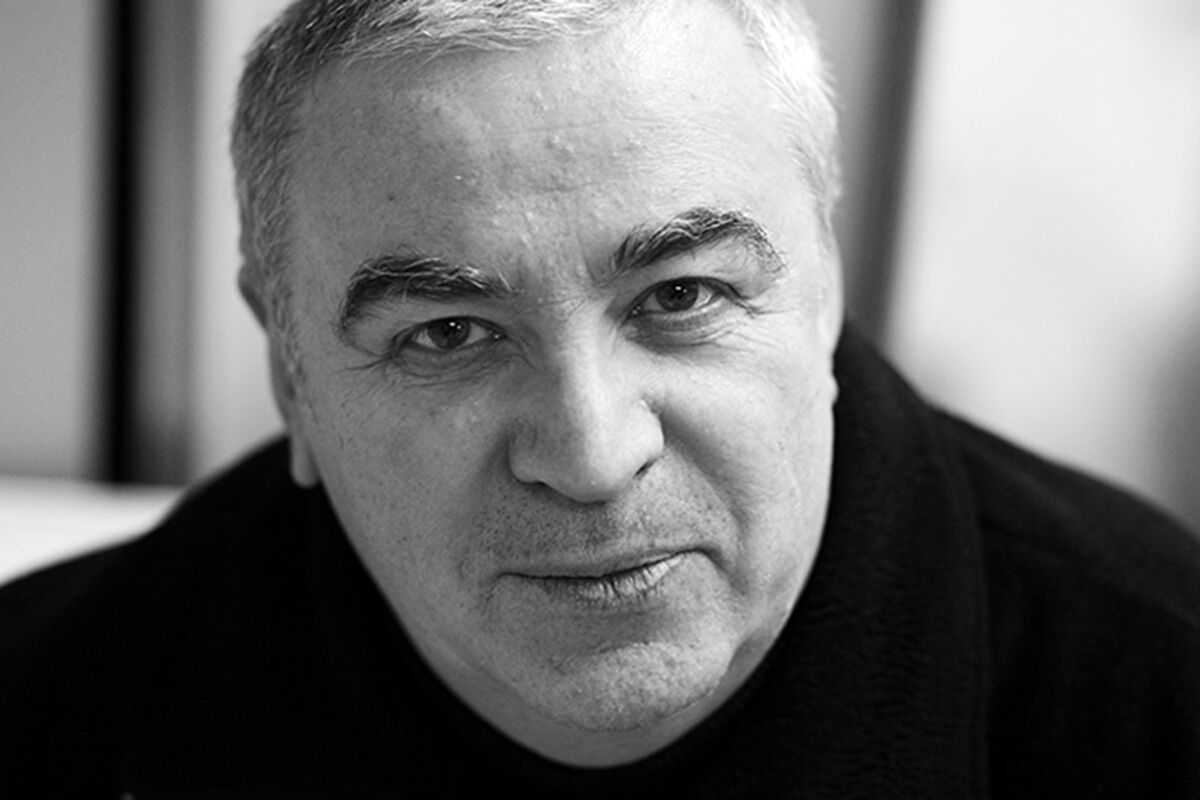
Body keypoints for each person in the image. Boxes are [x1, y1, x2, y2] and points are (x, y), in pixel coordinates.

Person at [2, 0, 1198, 795]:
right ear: (292, 377)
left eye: (681, 295)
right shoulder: (47, 707)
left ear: (825, 290)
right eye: (448, 333)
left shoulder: (1158, 698)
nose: (590, 452)